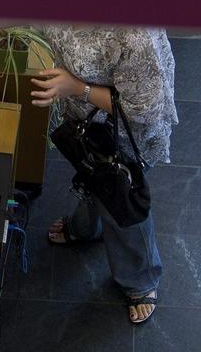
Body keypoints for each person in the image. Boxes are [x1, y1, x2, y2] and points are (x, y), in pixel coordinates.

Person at [30, 25, 177, 324]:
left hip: (128, 138)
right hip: (88, 123)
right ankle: (87, 229)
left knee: (122, 203)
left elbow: (144, 110)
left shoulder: (135, 33)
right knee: (92, 180)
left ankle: (141, 280)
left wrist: (76, 88)